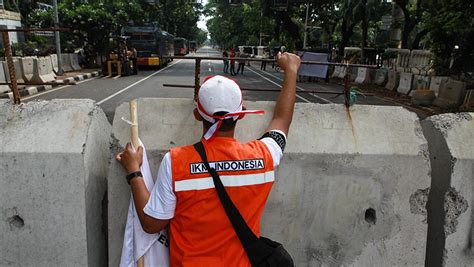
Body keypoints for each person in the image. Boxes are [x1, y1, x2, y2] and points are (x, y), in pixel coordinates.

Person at [116, 52, 301, 266]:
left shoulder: (176, 162)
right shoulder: (263, 156)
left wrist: (134, 172)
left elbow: (151, 223)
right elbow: (281, 121)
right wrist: (291, 71)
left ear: (197, 114)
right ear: (241, 113)